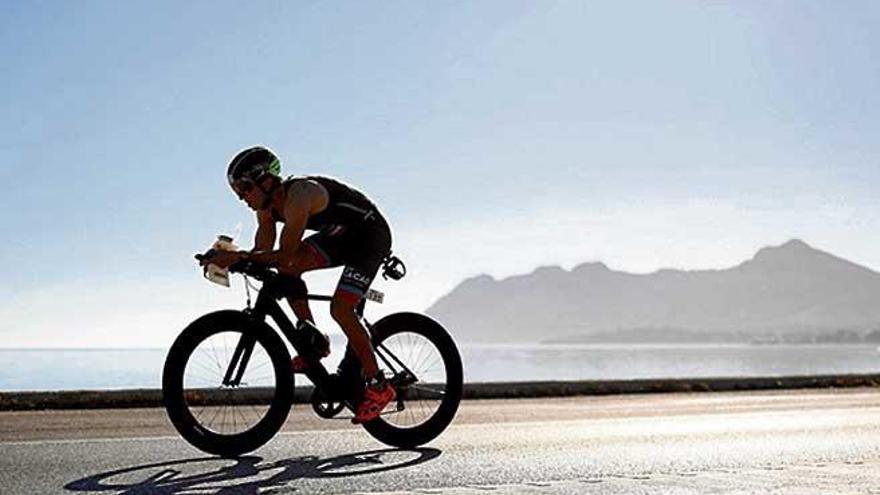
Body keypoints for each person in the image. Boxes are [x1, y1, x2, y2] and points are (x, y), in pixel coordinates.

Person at [205, 145, 396, 424]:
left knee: (341, 309)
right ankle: (313, 343)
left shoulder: (299, 196)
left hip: (369, 237)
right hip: (338, 237)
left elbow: (284, 253)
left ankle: (379, 385)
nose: (243, 197)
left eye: (246, 188)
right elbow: (264, 254)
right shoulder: (266, 210)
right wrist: (231, 259)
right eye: (238, 193)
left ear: (266, 180)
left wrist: (238, 257)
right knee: (287, 269)